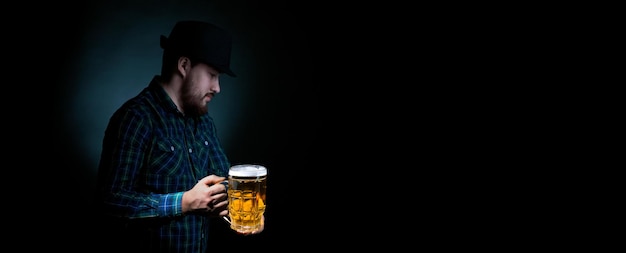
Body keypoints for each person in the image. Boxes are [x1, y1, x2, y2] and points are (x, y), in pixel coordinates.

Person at [95, 20, 264, 252]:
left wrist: (243, 209)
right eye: (212, 75)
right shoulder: (136, 119)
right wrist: (184, 202)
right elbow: (110, 202)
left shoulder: (203, 121)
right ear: (184, 65)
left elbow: (225, 180)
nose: (217, 87)